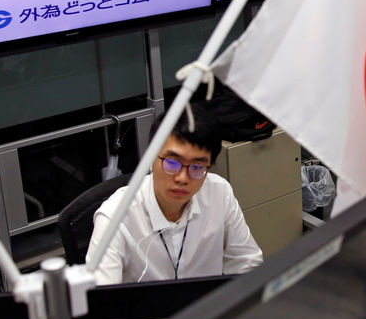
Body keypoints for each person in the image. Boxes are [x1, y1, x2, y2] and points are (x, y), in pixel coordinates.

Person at [87, 104, 263, 285]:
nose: (182, 178)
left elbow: (247, 265)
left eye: (197, 167)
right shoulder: (114, 217)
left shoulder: (219, 193)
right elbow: (101, 300)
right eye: (172, 163)